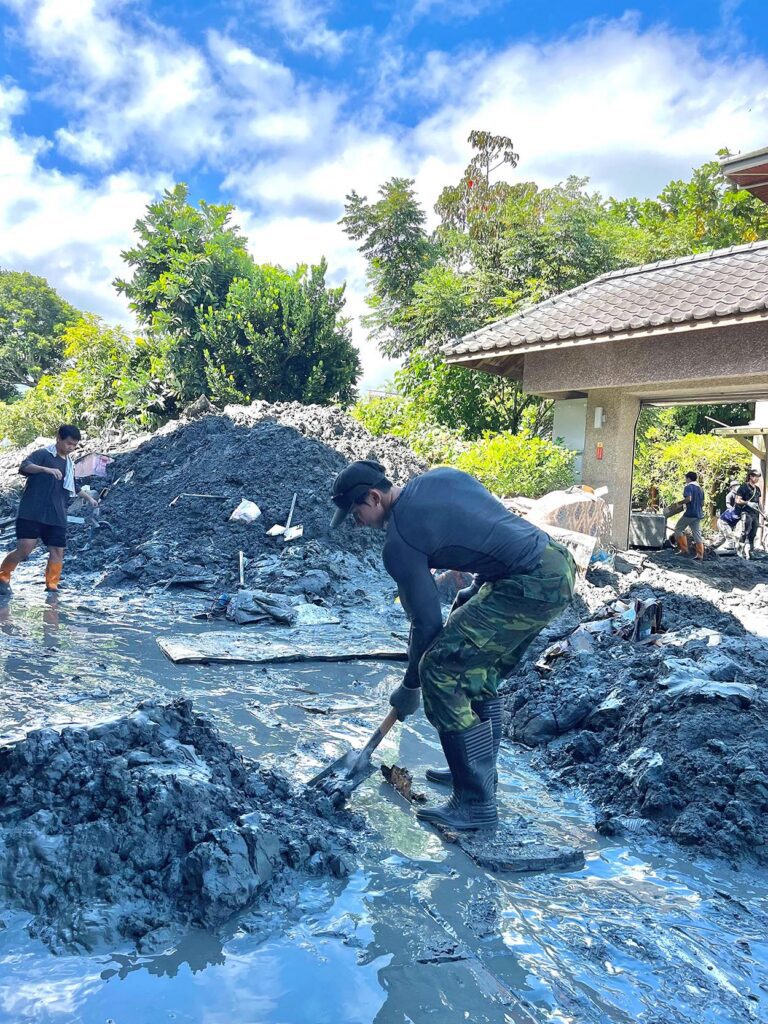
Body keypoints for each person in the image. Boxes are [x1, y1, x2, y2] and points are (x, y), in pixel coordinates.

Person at [330, 460, 576, 831]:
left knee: (441, 670)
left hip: (528, 584)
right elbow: (488, 526)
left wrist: (411, 685)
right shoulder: (440, 476)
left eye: (355, 512)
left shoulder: (399, 541)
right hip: (553, 562)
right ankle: (478, 770)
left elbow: (426, 623)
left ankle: (475, 804)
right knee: (478, 665)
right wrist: (476, 589)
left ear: (374, 497)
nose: (356, 522)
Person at [0, 425, 98, 595]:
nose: (71, 448)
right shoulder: (43, 454)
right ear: (58, 438)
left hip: (57, 514)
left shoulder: (69, 464)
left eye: (74, 445)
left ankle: (52, 587)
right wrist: (45, 469)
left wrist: (89, 498)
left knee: (57, 551)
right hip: (32, 512)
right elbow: (24, 466)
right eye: (68, 443)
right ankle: (3, 577)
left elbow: (72, 485)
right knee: (24, 550)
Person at [673, 471, 705, 561]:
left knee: (678, 529)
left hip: (690, 513)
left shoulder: (688, 487)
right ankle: (700, 554)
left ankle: (684, 549)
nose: (685, 480)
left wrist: (680, 503)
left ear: (688, 478)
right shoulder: (700, 489)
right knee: (697, 534)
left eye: (686, 478)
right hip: (698, 514)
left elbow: (688, 499)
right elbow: (702, 503)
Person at [735, 469, 763, 559]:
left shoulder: (757, 489)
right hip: (746, 512)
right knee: (745, 531)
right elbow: (737, 500)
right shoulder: (743, 487)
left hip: (755, 513)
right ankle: (740, 551)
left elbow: (759, 503)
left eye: (758, 477)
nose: (757, 478)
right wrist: (747, 503)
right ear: (751, 476)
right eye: (756, 476)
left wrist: (763, 513)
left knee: (753, 532)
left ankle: (751, 552)